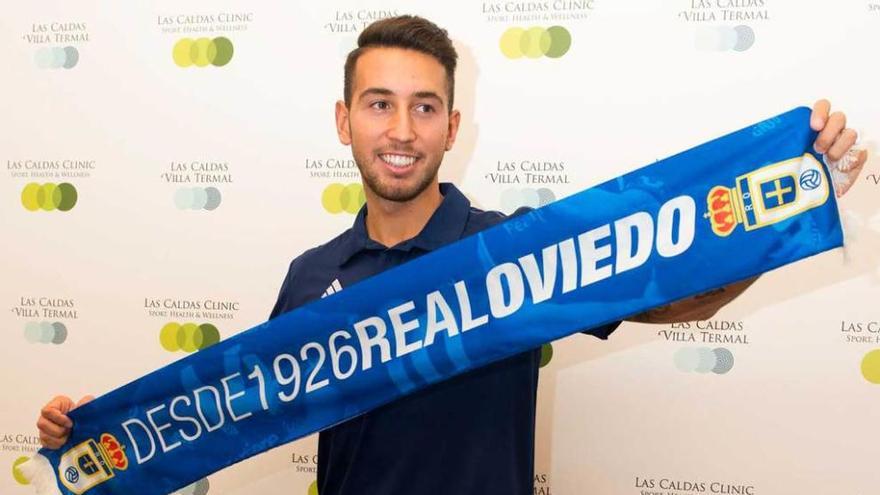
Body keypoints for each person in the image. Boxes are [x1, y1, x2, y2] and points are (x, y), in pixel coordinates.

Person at [37, 15, 867, 495]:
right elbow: (231, 406)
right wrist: (91, 433)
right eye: (380, 104)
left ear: (452, 128)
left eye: (424, 107)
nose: (401, 130)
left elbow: (680, 296)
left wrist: (789, 203)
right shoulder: (308, 274)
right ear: (344, 120)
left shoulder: (511, 251)